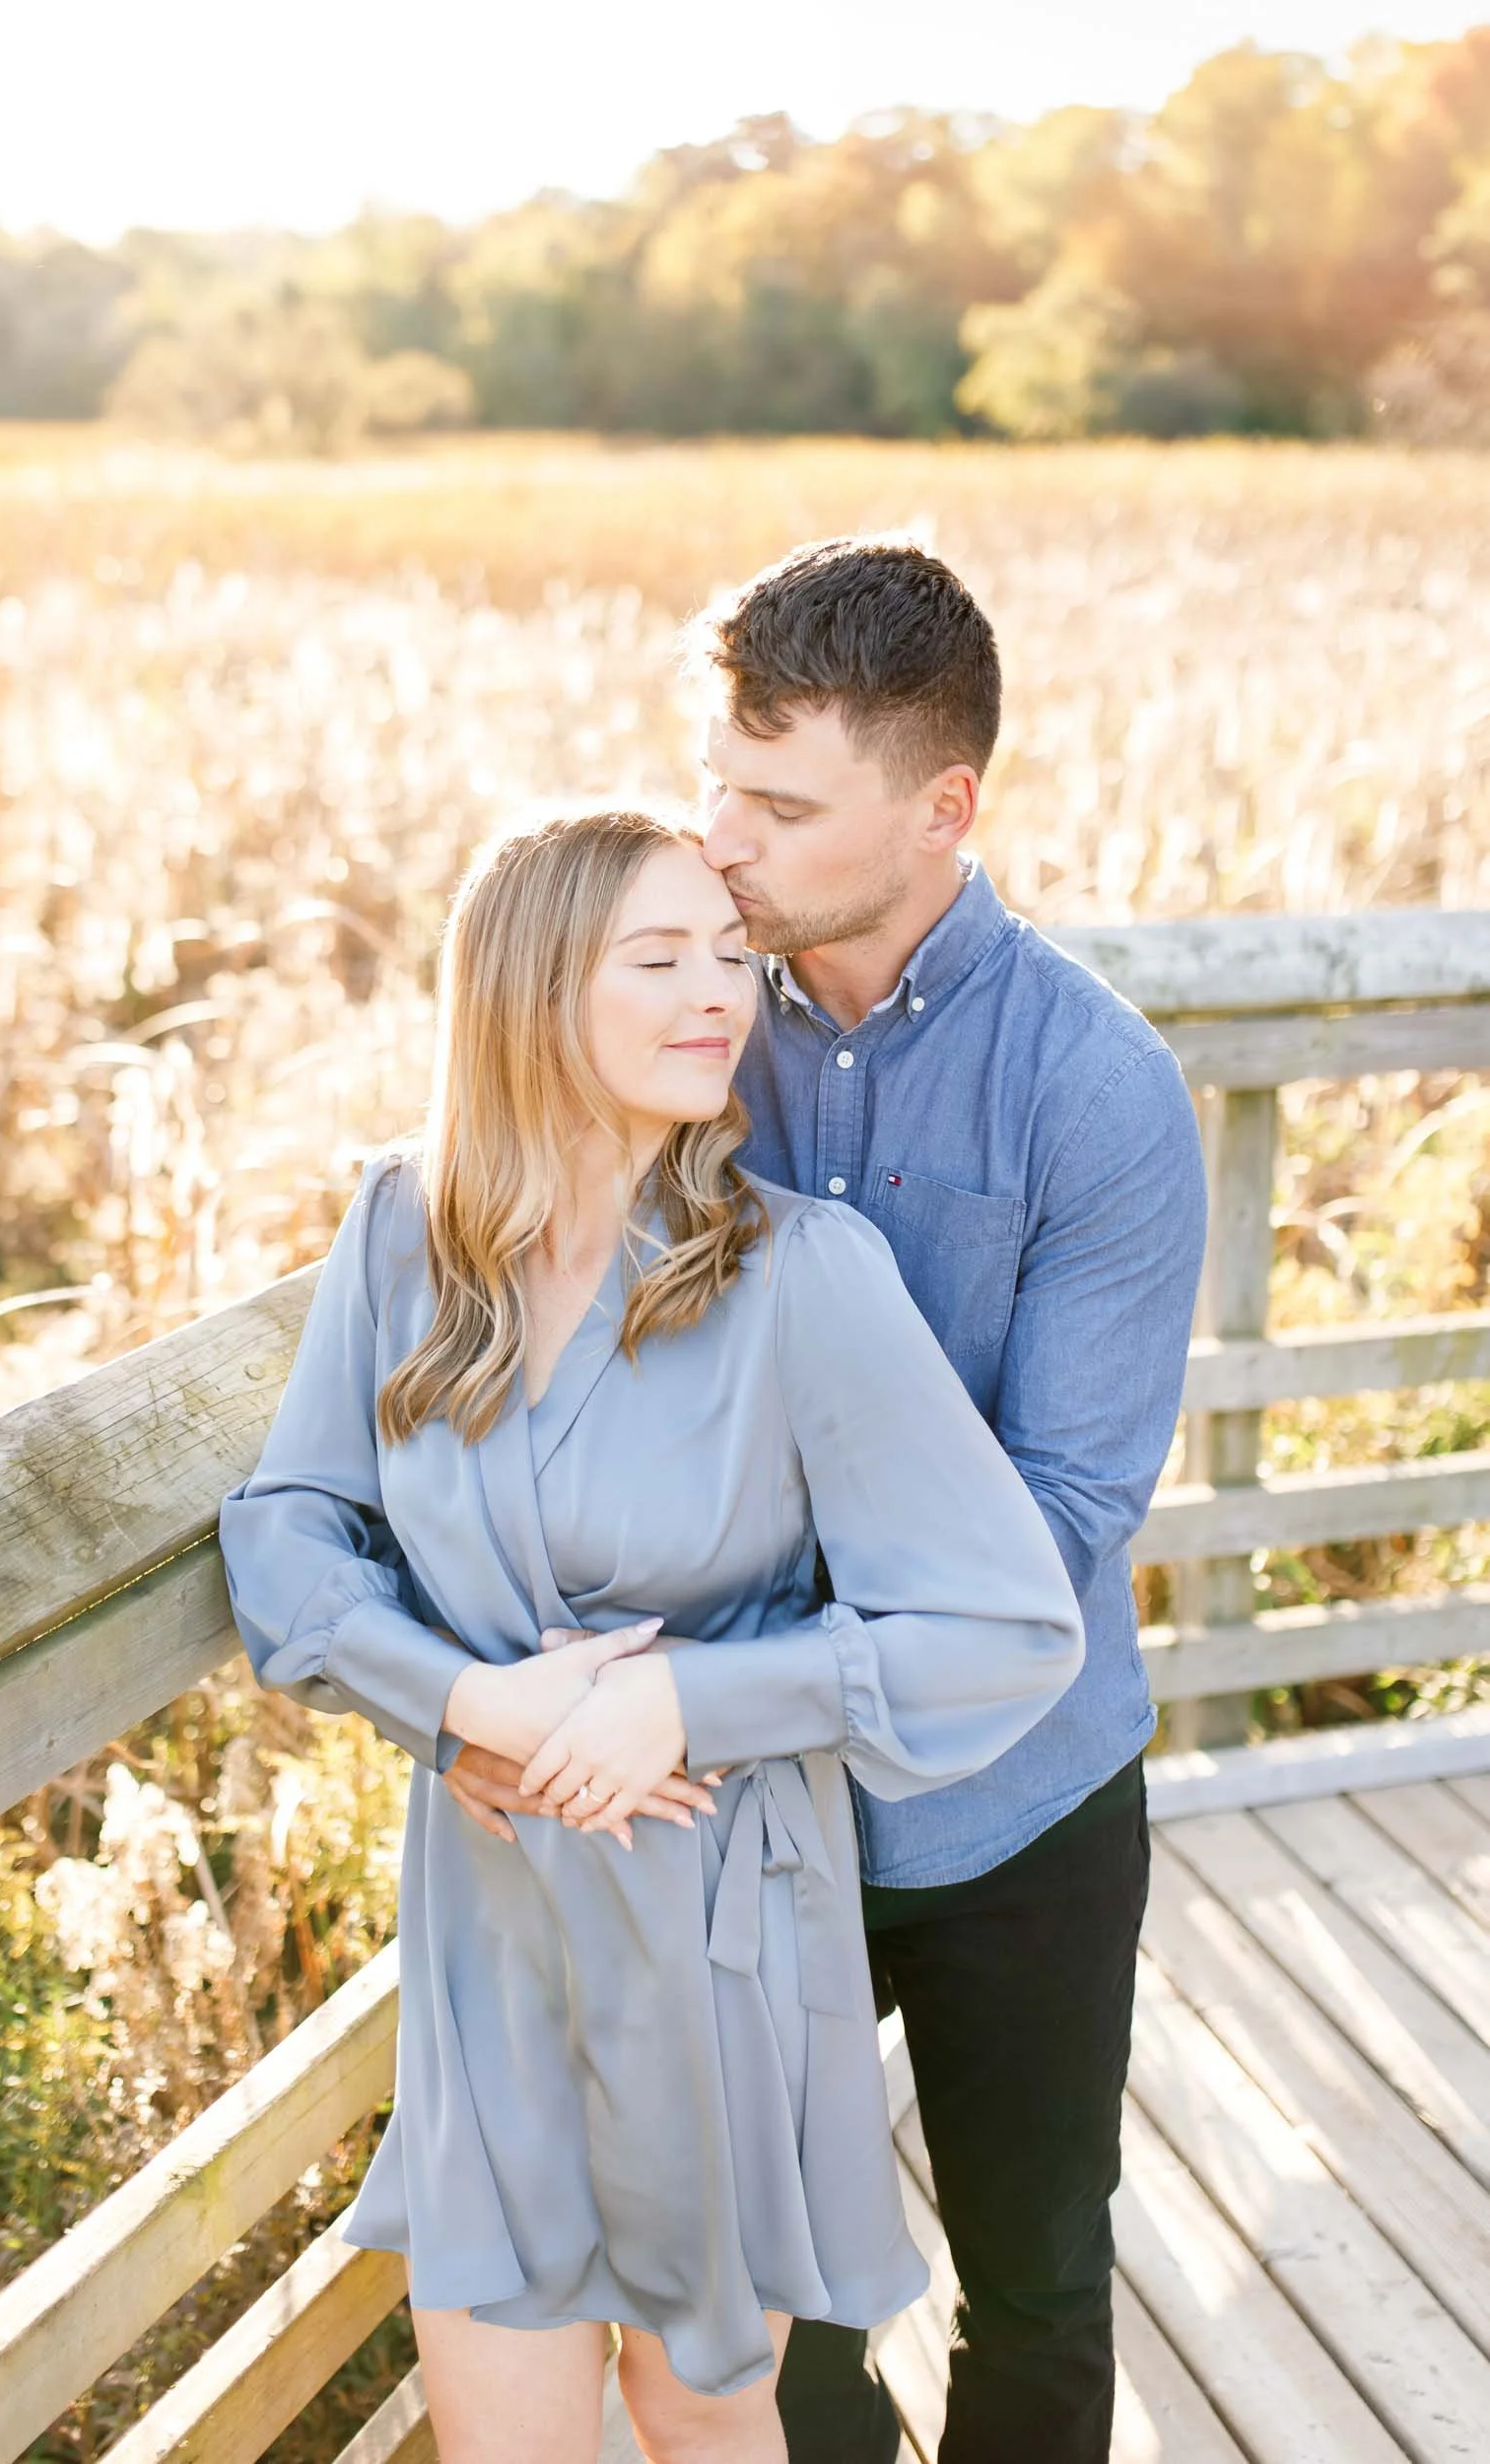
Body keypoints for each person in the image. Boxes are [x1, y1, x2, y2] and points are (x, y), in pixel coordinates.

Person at [445, 543, 1209, 2464]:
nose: (721, 837)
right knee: (767, 2311)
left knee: (1037, 2275)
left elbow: (1053, 1525)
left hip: (1021, 1793)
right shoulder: (687, 1024)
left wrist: (708, 1682)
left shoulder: (1097, 1093)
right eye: (716, 780)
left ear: (943, 806)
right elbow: (529, 1293)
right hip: (748, 1828)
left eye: (779, 802)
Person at [218, 807, 1084, 2464]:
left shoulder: (803, 1276)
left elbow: (1002, 1625)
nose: (720, 997)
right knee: (506, 2426)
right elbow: (284, 1529)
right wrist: (458, 1702)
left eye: (729, 955)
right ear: (536, 989)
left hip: (716, 1926)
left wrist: (688, 1701)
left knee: (696, 2407)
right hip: (490, 1926)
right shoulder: (404, 1233)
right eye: (661, 958)